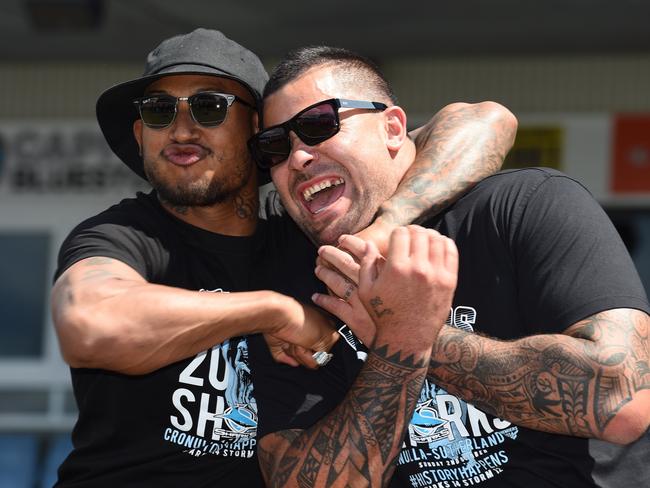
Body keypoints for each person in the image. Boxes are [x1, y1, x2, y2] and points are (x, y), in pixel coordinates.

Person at [49, 28, 516, 487]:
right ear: (139, 133)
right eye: (158, 111)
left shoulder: (304, 222)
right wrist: (276, 312)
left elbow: (485, 120)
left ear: (257, 130)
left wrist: (389, 224)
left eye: (209, 106)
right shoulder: (122, 235)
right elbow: (90, 323)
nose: (181, 127)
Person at [246, 45, 650, 487]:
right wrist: (397, 349)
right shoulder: (294, 276)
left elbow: (622, 402)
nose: (298, 157)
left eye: (320, 124)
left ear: (395, 128)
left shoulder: (524, 206)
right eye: (275, 146)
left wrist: (411, 334)